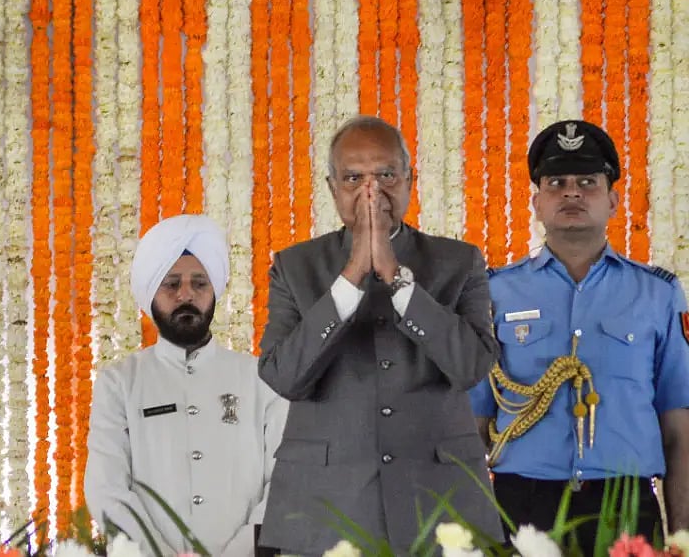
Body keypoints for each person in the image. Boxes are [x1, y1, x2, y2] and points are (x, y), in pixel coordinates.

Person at [255, 115, 503, 556]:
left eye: (385, 174)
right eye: (353, 177)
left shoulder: (459, 261)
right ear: (332, 189)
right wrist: (351, 277)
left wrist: (395, 276)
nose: (371, 192)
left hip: (441, 503)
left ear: (410, 180)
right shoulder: (294, 267)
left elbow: (472, 366)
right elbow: (283, 375)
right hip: (324, 508)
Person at [470, 119, 689, 549]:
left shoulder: (659, 294)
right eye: (557, 182)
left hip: (625, 504)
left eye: (587, 181)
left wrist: (682, 535)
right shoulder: (493, 292)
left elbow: (680, 429)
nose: (572, 192)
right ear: (536, 202)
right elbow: (474, 424)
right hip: (522, 505)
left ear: (613, 200)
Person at [84, 213, 290, 557]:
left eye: (199, 283)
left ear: (213, 292)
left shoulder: (260, 379)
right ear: (151, 294)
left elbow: (285, 482)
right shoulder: (119, 382)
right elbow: (107, 490)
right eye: (171, 283)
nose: (186, 294)